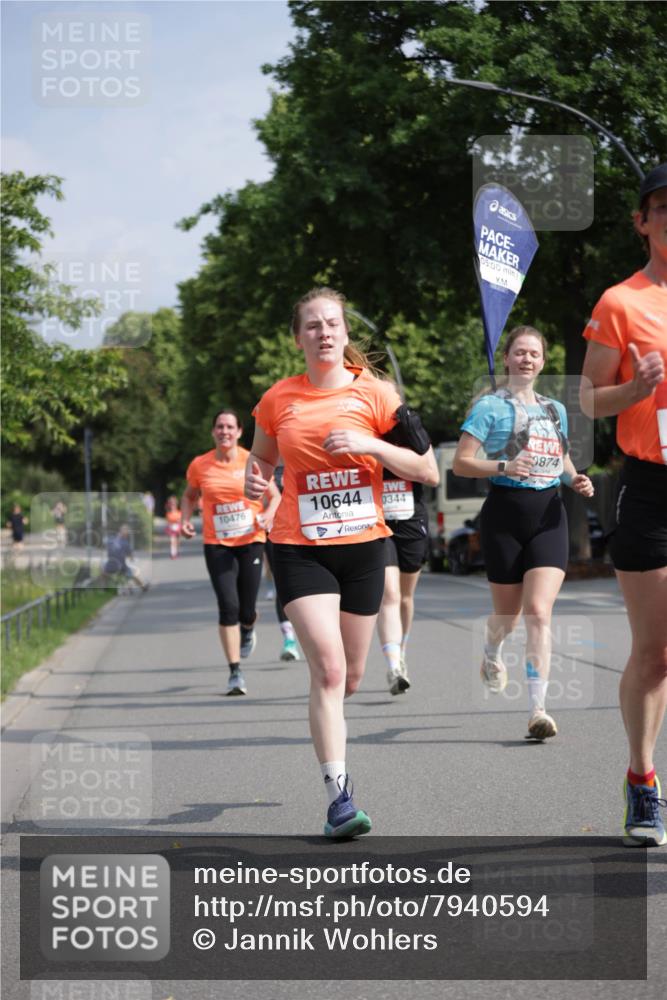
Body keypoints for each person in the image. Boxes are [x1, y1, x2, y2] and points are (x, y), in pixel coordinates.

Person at [245, 287, 438, 838]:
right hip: (300, 547)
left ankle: (337, 730)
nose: (324, 332)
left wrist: (370, 446)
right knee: (327, 669)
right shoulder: (277, 400)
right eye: (312, 325)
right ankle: (339, 798)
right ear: (298, 337)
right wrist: (254, 480)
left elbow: (426, 471)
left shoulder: (378, 395)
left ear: (346, 334)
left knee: (350, 677)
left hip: (363, 548)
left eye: (332, 323)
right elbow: (260, 462)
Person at [580, 162, 667, 847]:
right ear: (640, 221)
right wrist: (633, 391)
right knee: (656, 652)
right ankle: (642, 781)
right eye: (661, 208)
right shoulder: (620, 302)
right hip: (651, 485)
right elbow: (587, 400)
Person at [453, 325, 594, 741]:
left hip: (549, 515)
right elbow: (461, 463)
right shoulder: (489, 408)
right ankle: (491, 651)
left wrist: (575, 480)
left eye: (534, 353)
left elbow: (562, 458)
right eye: (520, 353)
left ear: (543, 362)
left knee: (539, 611)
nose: (527, 359)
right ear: (508, 358)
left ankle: (538, 709)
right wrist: (503, 466)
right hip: (504, 517)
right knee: (508, 617)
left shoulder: (554, 410)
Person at [181, 409, 281, 696]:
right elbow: (189, 496)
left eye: (230, 427)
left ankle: (248, 627)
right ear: (213, 432)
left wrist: (269, 515)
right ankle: (235, 672)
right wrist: (187, 519)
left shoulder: (252, 460)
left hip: (250, 540)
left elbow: (274, 496)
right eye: (219, 427)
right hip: (217, 545)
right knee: (228, 606)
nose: (224, 431)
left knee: (247, 609)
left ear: (238, 432)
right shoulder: (200, 465)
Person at [377, 462, 431, 694]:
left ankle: (402, 652)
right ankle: (394, 666)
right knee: (390, 594)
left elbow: (430, 475)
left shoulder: (412, 437)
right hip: (379, 521)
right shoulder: (367, 434)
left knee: (405, 598)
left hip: (411, 520)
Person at [100, 524, 149, 591]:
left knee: (103, 572)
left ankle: (104, 588)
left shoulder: (111, 539)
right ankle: (143, 587)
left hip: (110, 565)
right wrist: (131, 558)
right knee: (133, 575)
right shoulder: (125, 543)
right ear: (125, 534)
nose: (127, 534)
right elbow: (131, 556)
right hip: (121, 566)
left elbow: (106, 546)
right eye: (127, 533)